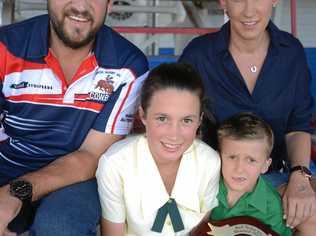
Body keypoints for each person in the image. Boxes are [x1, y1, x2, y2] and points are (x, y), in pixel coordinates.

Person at [0, 0, 148, 235]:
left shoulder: (127, 66)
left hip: (77, 178)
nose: (80, 5)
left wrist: (16, 194)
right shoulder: (4, 48)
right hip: (7, 164)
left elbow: (91, 156)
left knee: (59, 225)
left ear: (109, 4)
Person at [179, 0, 316, 234]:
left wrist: (300, 177)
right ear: (223, 2)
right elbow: (182, 122)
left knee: (310, 212)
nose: (249, 11)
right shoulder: (200, 54)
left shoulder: (290, 52)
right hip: (214, 181)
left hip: (273, 176)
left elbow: (298, 126)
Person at [96, 62, 221, 236]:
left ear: (199, 120)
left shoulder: (209, 162)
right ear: (143, 115)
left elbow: (204, 231)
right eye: (162, 118)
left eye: (187, 120)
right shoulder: (115, 164)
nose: (174, 134)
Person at [210, 112, 292, 235]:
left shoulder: (271, 206)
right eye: (232, 157)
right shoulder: (206, 183)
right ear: (218, 157)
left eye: (251, 160)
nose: (239, 169)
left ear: (265, 165)